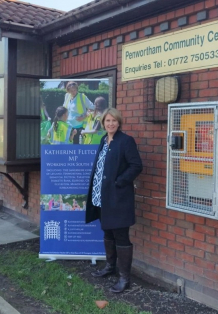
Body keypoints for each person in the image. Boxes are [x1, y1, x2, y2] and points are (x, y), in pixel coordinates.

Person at [85, 108, 143, 293]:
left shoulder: (126, 141)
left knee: (121, 236)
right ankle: (110, 267)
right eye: (108, 121)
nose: (110, 124)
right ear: (103, 123)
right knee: (108, 232)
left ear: (119, 123)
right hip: (101, 197)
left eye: (114, 121)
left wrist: (119, 181)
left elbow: (136, 166)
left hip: (118, 198)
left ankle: (124, 278)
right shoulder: (103, 140)